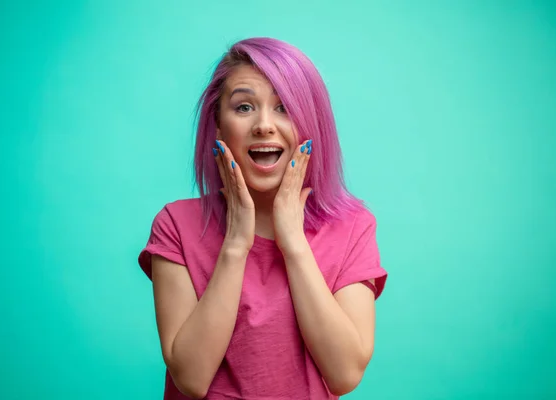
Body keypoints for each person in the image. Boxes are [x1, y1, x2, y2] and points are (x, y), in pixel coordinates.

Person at [138, 37, 388, 400]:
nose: (264, 126)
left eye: (285, 107)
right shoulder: (176, 225)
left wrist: (293, 242)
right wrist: (237, 243)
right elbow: (190, 378)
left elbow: (345, 373)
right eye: (243, 108)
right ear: (219, 127)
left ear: (310, 125)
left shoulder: (352, 228)